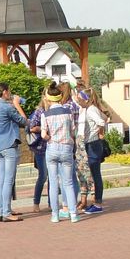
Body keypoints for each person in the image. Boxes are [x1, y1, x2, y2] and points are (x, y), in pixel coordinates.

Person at [0, 83, 30, 221]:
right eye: (9, 91)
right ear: (5, 92)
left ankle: (1, 211)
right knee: (9, 180)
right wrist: (17, 105)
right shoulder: (7, 108)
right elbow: (23, 121)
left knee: (1, 180)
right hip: (9, 145)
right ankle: (6, 213)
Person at [41, 82, 80, 224]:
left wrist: (50, 138)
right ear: (60, 97)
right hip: (66, 148)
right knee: (68, 182)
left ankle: (55, 215)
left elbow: (43, 135)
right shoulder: (68, 112)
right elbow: (73, 131)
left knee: (53, 182)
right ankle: (73, 214)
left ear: (48, 98)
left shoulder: (45, 114)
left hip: (52, 148)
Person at [78, 87, 108, 213]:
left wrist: (97, 133)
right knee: (95, 174)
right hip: (92, 144)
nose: (78, 101)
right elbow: (105, 117)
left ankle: (98, 204)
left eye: (80, 99)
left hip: (93, 144)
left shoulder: (90, 110)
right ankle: (97, 202)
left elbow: (102, 121)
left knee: (95, 174)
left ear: (86, 100)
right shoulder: (91, 109)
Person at [27, 101, 48, 212]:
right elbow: (31, 128)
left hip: (52, 146)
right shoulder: (39, 111)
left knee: (52, 177)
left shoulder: (54, 109)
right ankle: (36, 203)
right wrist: (43, 128)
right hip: (40, 148)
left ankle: (51, 203)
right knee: (43, 175)